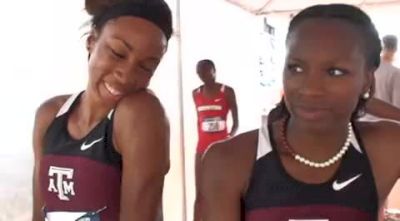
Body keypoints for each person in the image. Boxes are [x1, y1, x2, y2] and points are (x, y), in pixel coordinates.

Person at [201, 4, 400, 221]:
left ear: (367, 80)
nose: (310, 89)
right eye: (296, 68)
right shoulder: (229, 160)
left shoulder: (387, 148)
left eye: (335, 72)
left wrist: (364, 102)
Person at [32, 0, 172, 220]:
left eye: (146, 66)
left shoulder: (140, 114)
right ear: (91, 41)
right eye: (118, 53)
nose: (126, 75)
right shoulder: (50, 116)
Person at [192, 59, 238, 221]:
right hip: (202, 149)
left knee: (224, 192)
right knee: (200, 193)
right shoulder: (195, 93)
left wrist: (229, 138)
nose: (204, 75)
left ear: (214, 70)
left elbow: (236, 123)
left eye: (207, 71)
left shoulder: (227, 92)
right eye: (200, 72)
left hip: (222, 149)